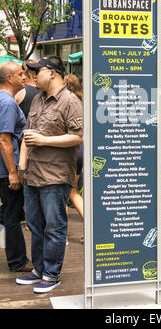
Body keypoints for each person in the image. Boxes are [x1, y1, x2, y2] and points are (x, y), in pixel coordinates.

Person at [16, 55, 83, 294]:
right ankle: (39, 270)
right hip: (33, 175)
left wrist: (45, 140)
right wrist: (21, 166)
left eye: (37, 71)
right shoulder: (37, 100)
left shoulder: (70, 101)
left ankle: (52, 274)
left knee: (54, 228)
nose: (33, 76)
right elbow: (27, 135)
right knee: (35, 225)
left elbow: (79, 136)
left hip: (55, 177)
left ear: (52, 72)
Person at [0, 62, 30, 272]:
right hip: (5, 169)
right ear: (9, 78)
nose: (25, 76)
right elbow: (4, 139)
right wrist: (13, 172)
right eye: (21, 74)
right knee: (12, 213)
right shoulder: (8, 103)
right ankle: (18, 261)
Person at [63, 73, 83, 221]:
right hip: (82, 150)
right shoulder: (84, 100)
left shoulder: (66, 101)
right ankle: (90, 229)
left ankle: (61, 236)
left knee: (64, 192)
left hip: (70, 150)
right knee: (72, 190)